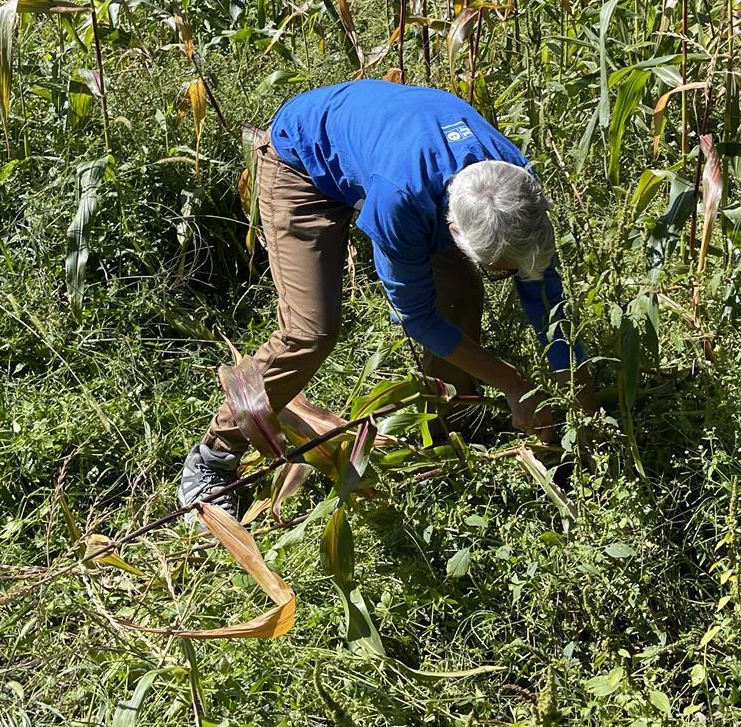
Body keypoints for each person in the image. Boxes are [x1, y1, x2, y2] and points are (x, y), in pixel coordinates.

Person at [179, 79, 597, 516]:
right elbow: (416, 316)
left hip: (384, 150)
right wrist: (515, 383)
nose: (509, 277)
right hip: (300, 162)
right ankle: (213, 457)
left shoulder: (514, 186)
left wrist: (585, 405)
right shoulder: (401, 200)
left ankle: (455, 422)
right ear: (452, 231)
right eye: (502, 271)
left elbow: (546, 298)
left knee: (459, 297)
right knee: (311, 331)